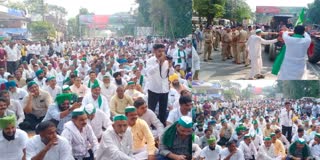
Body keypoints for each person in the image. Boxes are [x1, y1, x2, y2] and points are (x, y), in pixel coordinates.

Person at [146, 43, 174, 125]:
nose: (161, 53)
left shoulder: (166, 61)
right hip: (153, 89)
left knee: (163, 111)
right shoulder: (150, 60)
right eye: (159, 51)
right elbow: (149, 72)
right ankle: (149, 126)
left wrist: (170, 65)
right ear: (154, 51)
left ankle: (162, 128)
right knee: (151, 110)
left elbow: (171, 73)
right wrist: (159, 63)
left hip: (164, 89)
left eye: (163, 51)